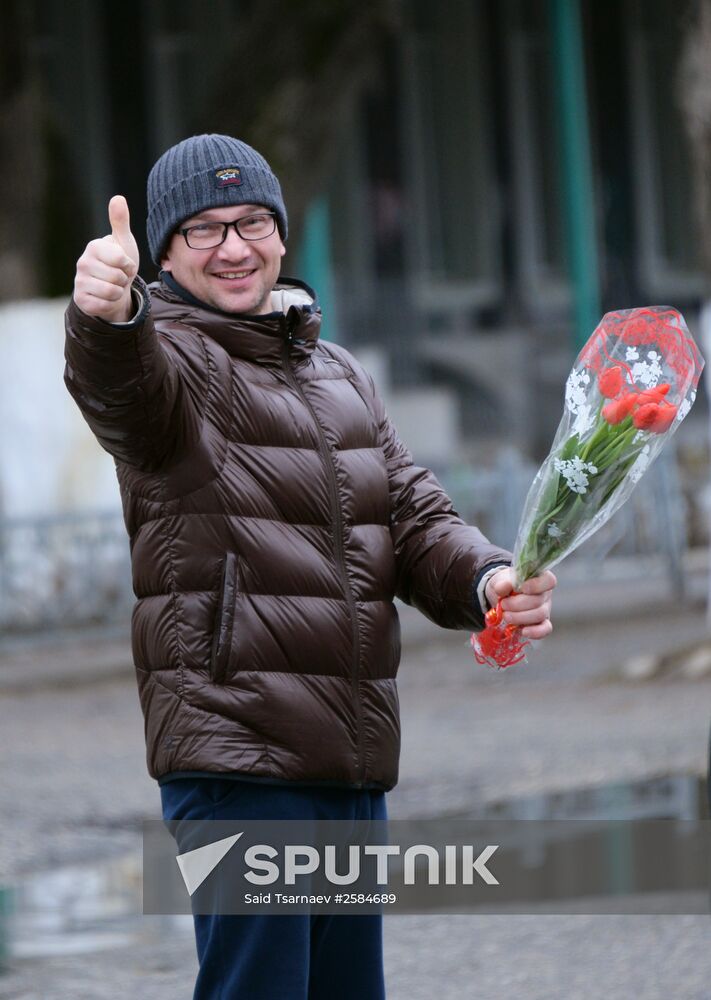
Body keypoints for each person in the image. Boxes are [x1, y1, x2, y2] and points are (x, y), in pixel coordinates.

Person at [65, 133, 556, 999]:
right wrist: (106, 319)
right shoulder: (172, 359)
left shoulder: (336, 374)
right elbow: (122, 390)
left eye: (251, 221)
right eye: (203, 229)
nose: (233, 245)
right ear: (168, 253)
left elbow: (410, 515)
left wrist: (489, 579)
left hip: (348, 760)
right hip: (238, 758)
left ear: (282, 233)